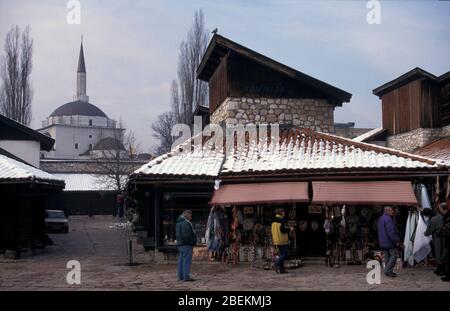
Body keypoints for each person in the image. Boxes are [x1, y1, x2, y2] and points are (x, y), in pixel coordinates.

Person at [378, 206, 403, 277]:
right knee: (394, 254)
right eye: (392, 210)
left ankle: (388, 271)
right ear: (387, 211)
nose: (393, 212)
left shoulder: (381, 218)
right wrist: (397, 241)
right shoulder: (388, 219)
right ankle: (388, 270)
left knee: (387, 257)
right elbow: (391, 232)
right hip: (389, 241)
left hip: (383, 241)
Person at [424, 204, 447, 276]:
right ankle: (442, 269)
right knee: (444, 253)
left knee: (438, 254)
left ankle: (440, 270)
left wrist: (424, 233)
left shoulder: (433, 220)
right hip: (444, 237)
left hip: (438, 238)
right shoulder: (440, 216)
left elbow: (428, 232)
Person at [175, 210, 197, 282]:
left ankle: (180, 276)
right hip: (186, 244)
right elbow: (187, 236)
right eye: (190, 215)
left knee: (181, 261)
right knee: (186, 261)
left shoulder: (179, 223)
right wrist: (193, 242)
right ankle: (186, 276)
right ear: (187, 215)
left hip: (180, 244)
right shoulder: (185, 223)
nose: (191, 217)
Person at [271, 208, 293, 274]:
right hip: (282, 239)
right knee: (285, 254)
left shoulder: (273, 220)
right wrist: (290, 229)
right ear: (281, 213)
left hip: (276, 239)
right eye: (284, 212)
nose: (284, 213)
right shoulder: (282, 220)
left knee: (281, 254)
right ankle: (276, 263)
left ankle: (281, 269)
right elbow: (283, 230)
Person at [439, 203, 450, 282]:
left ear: (442, 208)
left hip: (449, 240)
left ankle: (448, 276)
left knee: (448, 258)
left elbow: (446, 228)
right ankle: (447, 274)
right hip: (448, 240)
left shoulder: (448, 216)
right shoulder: (446, 215)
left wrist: (442, 231)